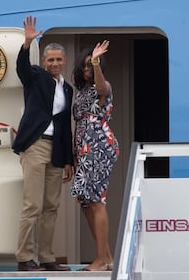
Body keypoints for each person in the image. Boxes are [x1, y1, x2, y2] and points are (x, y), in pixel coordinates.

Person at [12, 15, 74, 272]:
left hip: (57, 150)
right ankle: (24, 258)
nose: (55, 63)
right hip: (35, 145)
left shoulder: (67, 88)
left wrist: (69, 158)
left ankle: (47, 257)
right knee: (33, 205)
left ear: (64, 61)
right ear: (44, 61)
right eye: (51, 59)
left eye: (59, 59)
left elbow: (65, 126)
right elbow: (22, 68)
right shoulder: (35, 76)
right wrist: (27, 44)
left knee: (51, 207)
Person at [70, 41, 119, 271]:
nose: (87, 69)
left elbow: (101, 89)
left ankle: (100, 259)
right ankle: (106, 257)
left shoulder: (103, 85)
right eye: (85, 66)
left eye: (91, 65)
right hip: (83, 148)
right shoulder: (81, 92)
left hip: (98, 145)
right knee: (86, 202)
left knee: (97, 201)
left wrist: (97, 62)